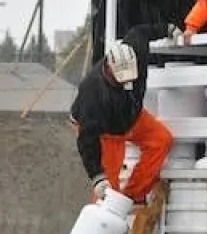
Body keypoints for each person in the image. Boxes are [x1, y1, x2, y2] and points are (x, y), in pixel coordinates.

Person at [69, 22, 184, 205]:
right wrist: (97, 176)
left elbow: (141, 30)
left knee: (161, 140)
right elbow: (87, 139)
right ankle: (104, 212)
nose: (126, 83)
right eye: (121, 80)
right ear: (110, 69)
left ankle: (133, 195)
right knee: (108, 187)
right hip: (106, 130)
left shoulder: (136, 48)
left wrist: (168, 29)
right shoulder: (92, 93)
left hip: (131, 115)